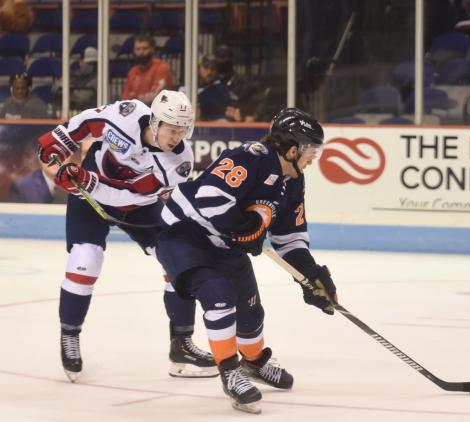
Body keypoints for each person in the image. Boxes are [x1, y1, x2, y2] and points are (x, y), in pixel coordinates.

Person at [155, 108, 338, 414]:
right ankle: (230, 370)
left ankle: (254, 361)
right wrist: (246, 229)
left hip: (224, 243)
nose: (313, 157)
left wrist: (311, 277)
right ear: (293, 149)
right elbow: (210, 199)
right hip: (185, 235)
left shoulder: (293, 183)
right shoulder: (251, 156)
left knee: (250, 308)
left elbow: (289, 238)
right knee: (220, 298)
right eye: (311, 150)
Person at [36, 90, 218, 382]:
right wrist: (57, 142)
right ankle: (70, 335)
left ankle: (181, 343)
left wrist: (85, 181)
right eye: (172, 129)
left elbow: (130, 194)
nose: (177, 137)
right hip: (89, 192)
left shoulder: (179, 160)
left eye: (183, 130)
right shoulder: (127, 113)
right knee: (86, 258)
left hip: (136, 205)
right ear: (156, 123)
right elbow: (87, 123)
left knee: (178, 262)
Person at [121, 34, 174, 105]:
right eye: (138, 49)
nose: (141, 52)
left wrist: (135, 99)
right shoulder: (132, 71)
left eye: (145, 48)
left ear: (152, 49)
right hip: (137, 111)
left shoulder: (162, 67)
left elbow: (157, 96)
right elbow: (125, 99)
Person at [197, 54, 241, 121]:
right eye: (206, 67)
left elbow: (235, 114)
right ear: (198, 69)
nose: (209, 72)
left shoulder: (223, 91)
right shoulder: (184, 87)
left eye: (213, 68)